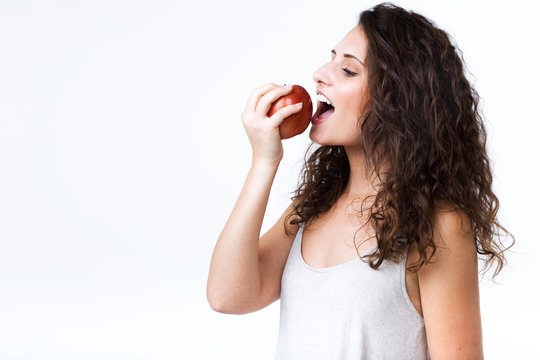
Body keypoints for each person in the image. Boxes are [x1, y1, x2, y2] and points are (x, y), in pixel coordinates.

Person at [207, 2, 514, 359]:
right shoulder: (313, 208)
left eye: (348, 70)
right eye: (331, 58)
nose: (320, 73)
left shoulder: (439, 226)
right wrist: (264, 162)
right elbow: (227, 296)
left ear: (397, 100)